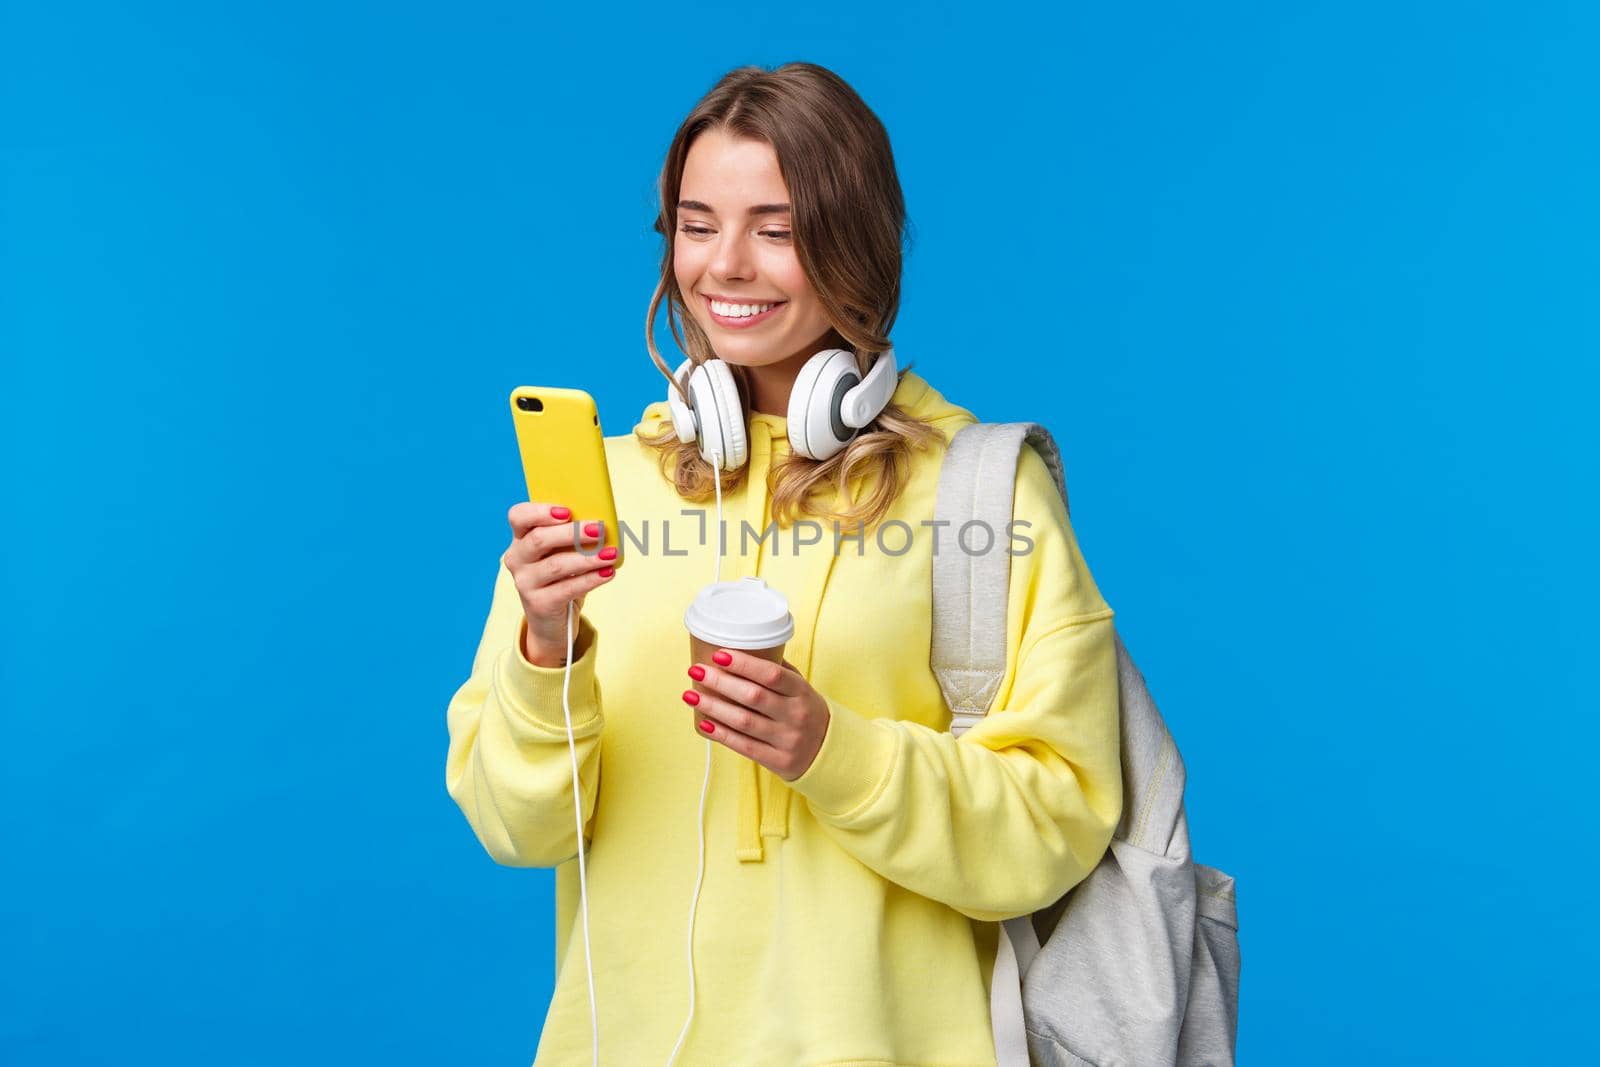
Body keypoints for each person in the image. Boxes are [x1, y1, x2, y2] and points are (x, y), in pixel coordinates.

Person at [444, 61, 1123, 1066]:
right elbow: (518, 827)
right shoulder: (607, 487)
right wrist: (548, 648)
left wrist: (831, 750)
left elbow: (1055, 823)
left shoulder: (981, 492)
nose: (725, 266)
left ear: (855, 242)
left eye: (777, 227)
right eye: (695, 223)